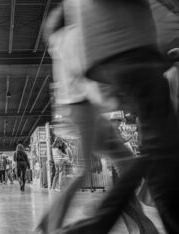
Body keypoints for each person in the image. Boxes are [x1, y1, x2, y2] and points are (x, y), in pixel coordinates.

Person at [53, 1, 179, 233]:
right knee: (158, 147)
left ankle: (109, 223)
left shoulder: (64, 35)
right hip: (124, 53)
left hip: (112, 59)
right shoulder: (68, 37)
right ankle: (87, 224)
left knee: (152, 149)